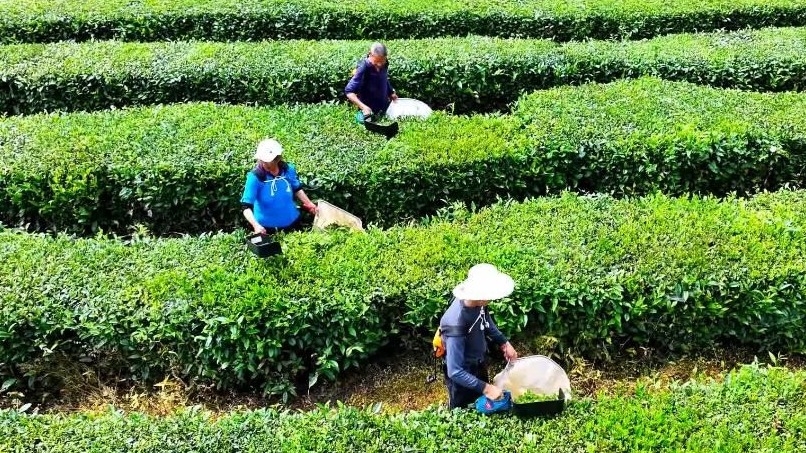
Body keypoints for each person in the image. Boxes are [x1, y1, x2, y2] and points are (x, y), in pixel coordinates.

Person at [440, 263, 519, 410]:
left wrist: (504, 343)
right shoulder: (455, 322)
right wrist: (487, 388)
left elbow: (485, 321)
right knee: (464, 410)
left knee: (484, 405)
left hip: (478, 363)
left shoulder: (479, 303)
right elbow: (455, 371)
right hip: (463, 376)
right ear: (481, 295)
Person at [240, 138, 317, 235]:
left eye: (268, 161)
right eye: (262, 160)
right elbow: (245, 206)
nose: (264, 164)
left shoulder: (288, 170)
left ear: (278, 158)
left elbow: (297, 188)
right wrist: (256, 225)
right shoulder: (255, 177)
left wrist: (309, 204)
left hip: (293, 222)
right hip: (267, 228)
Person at [344, 42, 399, 123]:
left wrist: (391, 92)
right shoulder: (363, 67)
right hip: (369, 110)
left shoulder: (385, 63)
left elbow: (384, 78)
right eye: (376, 62)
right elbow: (349, 91)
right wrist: (364, 107)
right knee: (367, 123)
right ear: (370, 54)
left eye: (382, 61)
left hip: (384, 108)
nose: (380, 65)